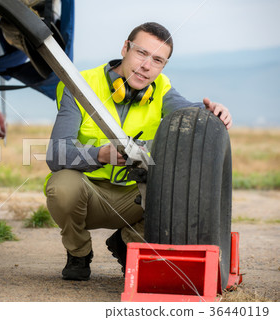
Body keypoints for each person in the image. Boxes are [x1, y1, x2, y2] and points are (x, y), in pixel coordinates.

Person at [44, 22, 232, 281]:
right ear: (125, 48)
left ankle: (126, 242)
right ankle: (79, 252)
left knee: (178, 195)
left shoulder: (162, 89)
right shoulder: (80, 84)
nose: (147, 66)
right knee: (62, 186)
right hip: (89, 192)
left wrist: (211, 111)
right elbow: (55, 153)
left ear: (164, 66)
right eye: (141, 53)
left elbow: (187, 111)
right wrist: (99, 155)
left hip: (135, 198)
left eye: (157, 60)